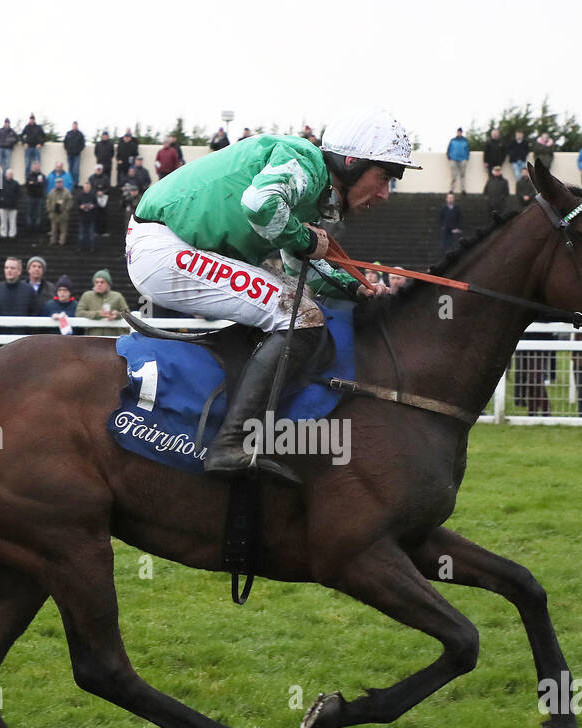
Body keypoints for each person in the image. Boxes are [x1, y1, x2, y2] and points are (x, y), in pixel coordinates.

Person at [127, 107, 412, 482]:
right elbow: (261, 205)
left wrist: (353, 287)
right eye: (383, 177)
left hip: (171, 246)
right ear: (351, 161)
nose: (384, 194)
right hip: (165, 248)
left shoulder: (312, 188)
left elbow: (296, 264)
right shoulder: (305, 161)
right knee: (301, 317)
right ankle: (231, 444)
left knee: (298, 305)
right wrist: (309, 239)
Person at [47, 179, 72, 246]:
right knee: (53, 229)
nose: (58, 184)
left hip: (63, 214)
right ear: (55, 184)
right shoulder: (51, 192)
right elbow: (48, 201)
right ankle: (53, 241)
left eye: (60, 183)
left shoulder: (67, 192)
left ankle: (62, 242)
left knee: (63, 230)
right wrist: (49, 209)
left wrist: (66, 209)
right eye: (57, 183)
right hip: (54, 214)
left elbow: (70, 202)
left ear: (62, 183)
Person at [25, 161, 47, 235]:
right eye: (34, 166)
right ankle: (29, 229)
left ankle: (37, 229)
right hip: (30, 196)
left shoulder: (42, 176)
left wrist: (33, 183)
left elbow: (42, 184)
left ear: (39, 167)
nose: (35, 168)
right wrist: (36, 183)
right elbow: (27, 184)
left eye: (37, 166)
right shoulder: (29, 175)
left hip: (39, 197)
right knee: (29, 213)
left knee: (38, 214)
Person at [446, 127, 470, 193]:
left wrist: (466, 158)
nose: (459, 133)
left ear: (462, 132)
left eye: (460, 132)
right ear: (457, 132)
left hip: (463, 159)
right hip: (453, 159)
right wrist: (449, 157)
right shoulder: (452, 140)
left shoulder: (465, 140)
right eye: (458, 131)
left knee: (463, 175)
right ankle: (451, 189)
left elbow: (468, 150)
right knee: (453, 175)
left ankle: (463, 189)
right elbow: (448, 149)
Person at [0, 169, 21, 240]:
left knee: (12, 221)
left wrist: (14, 200)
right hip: (3, 205)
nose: (10, 175)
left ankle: (12, 234)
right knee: (3, 221)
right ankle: (3, 234)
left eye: (11, 174)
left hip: (13, 206)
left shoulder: (16, 183)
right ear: (6, 174)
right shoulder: (1, 183)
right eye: (8, 174)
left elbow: (19, 194)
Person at [63, 122, 86, 188]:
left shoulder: (80, 134)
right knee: (70, 169)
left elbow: (83, 144)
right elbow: (65, 142)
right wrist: (67, 149)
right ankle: (69, 182)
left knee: (76, 169)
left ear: (77, 126)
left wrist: (78, 150)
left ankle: (75, 183)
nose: (74, 126)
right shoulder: (68, 133)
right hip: (69, 154)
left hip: (77, 155)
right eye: (73, 125)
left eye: (75, 125)